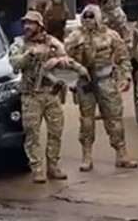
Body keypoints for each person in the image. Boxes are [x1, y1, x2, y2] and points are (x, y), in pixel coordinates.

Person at [9, 10, 87, 183]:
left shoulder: (52, 42)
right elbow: (15, 63)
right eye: (25, 23)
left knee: (55, 131)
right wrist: (29, 54)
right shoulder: (19, 43)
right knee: (32, 133)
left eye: (31, 23)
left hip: (51, 94)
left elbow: (66, 58)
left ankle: (53, 166)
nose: (27, 26)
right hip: (31, 95)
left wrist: (57, 61)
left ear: (40, 25)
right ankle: (37, 168)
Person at [64, 4, 138, 172]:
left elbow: (123, 57)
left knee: (114, 119)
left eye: (91, 16)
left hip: (106, 80)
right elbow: (64, 58)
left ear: (97, 18)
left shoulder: (110, 35)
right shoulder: (75, 37)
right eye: (85, 16)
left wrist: (126, 76)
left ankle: (121, 154)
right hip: (85, 82)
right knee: (87, 121)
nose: (88, 20)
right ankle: (87, 156)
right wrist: (73, 76)